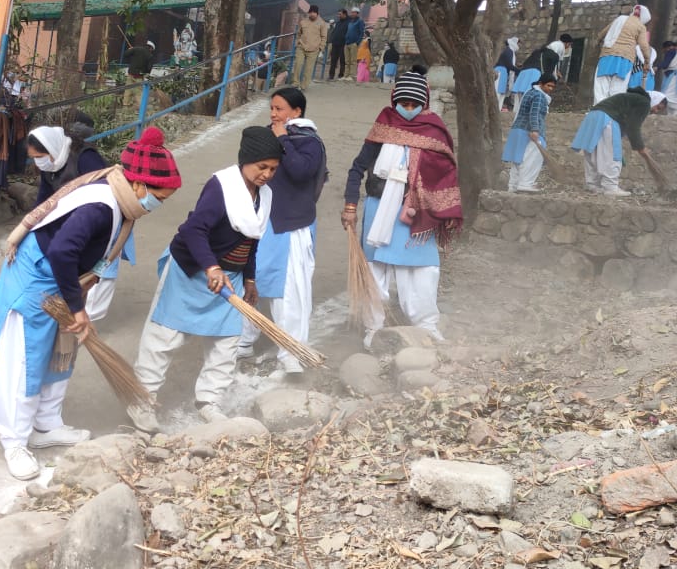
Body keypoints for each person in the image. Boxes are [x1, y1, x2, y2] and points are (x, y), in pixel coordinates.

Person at [0, 128, 182, 479]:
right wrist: (77, 308)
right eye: (159, 197)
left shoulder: (119, 196)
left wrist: (77, 298)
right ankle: (14, 441)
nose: (158, 204)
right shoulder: (100, 207)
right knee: (25, 362)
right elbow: (61, 252)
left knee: (60, 354)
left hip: (59, 280)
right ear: (139, 185)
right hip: (35, 281)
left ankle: (46, 424)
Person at [127, 127, 283, 432]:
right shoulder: (221, 186)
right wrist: (211, 267)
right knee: (163, 339)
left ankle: (209, 401)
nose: (267, 174)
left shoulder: (265, 196)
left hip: (229, 278)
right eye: (262, 167)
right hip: (192, 270)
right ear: (245, 160)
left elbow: (253, 239)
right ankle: (141, 401)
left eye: (273, 169)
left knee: (226, 343)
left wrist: (250, 279)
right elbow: (194, 230)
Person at [343, 68, 462, 347]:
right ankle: (373, 328)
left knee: (422, 269)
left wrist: (444, 209)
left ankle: (427, 326)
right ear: (394, 99)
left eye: (414, 104)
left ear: (424, 103)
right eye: (403, 103)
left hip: (416, 215)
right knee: (375, 268)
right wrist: (350, 204)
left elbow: (446, 173)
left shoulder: (434, 131)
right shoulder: (383, 126)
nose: (408, 109)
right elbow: (358, 168)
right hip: (378, 209)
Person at [234, 88, 328, 376]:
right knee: (252, 280)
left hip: (291, 226)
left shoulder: (309, 141)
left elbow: (301, 172)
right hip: (262, 221)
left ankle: (291, 349)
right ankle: (244, 341)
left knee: (289, 290)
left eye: (280, 109)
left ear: (297, 112)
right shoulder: (267, 135)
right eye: (272, 108)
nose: (274, 114)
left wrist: (284, 139)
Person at [27, 123, 132, 321]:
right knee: (70, 268)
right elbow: (44, 199)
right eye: (34, 158)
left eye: (39, 157)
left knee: (98, 273)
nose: (37, 162)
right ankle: (76, 314)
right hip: (77, 222)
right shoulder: (51, 164)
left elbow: (103, 194)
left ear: (51, 149)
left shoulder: (85, 158)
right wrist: (27, 226)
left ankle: (85, 318)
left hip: (101, 221)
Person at [571, 88, 667, 196]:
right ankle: (610, 187)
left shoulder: (632, 99)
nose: (655, 111)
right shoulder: (645, 103)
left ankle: (593, 185)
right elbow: (634, 127)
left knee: (593, 153)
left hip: (593, 116)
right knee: (612, 155)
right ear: (654, 100)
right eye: (658, 107)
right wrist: (640, 147)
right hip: (606, 118)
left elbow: (627, 124)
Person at [502, 73, 557, 193]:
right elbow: (534, 113)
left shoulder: (530, 92)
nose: (550, 89)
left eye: (553, 87)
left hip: (518, 129)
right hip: (528, 131)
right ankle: (526, 183)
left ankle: (513, 185)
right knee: (532, 158)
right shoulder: (539, 96)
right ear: (540, 83)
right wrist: (535, 130)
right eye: (548, 85)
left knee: (518, 159)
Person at [594, 5, 652, 104]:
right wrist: (647, 61)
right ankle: (613, 110)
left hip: (607, 55)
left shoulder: (619, 19)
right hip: (625, 59)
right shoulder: (641, 26)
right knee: (617, 89)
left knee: (601, 86)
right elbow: (644, 45)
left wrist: (598, 41)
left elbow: (603, 32)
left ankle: (599, 108)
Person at [293, 5, 328, 89]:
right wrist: (297, 43)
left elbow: (324, 37)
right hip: (301, 47)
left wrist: (320, 48)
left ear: (317, 13)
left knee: (308, 69)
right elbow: (298, 34)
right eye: (310, 12)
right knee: (298, 64)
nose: (312, 14)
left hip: (314, 49)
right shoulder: (303, 22)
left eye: (314, 12)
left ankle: (304, 85)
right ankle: (295, 83)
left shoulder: (322, 23)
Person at [654, 40, 677, 115]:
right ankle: (673, 115)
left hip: (676, 76)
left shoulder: (671, 51)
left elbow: (666, 64)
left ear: (666, 48)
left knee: (666, 96)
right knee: (676, 97)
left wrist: (657, 67)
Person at [511, 48, 544, 117]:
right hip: (532, 79)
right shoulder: (539, 65)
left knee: (518, 100)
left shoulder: (528, 61)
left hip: (522, 77)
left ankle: (516, 111)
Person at [123, 40, 155, 107]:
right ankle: (140, 107)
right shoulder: (150, 56)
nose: (152, 51)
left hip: (131, 74)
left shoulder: (136, 49)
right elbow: (149, 68)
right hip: (139, 76)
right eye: (152, 49)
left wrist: (130, 50)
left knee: (128, 90)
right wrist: (145, 73)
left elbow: (126, 54)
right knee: (138, 93)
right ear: (151, 48)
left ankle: (125, 104)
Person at [495, 37, 519, 111]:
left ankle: (498, 110)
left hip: (503, 73)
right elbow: (509, 65)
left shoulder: (508, 51)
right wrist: (519, 71)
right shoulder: (509, 51)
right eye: (518, 43)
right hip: (500, 72)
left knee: (501, 92)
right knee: (497, 92)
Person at [328, 9, 349, 80]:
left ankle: (341, 75)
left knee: (342, 61)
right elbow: (334, 32)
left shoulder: (348, 22)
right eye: (338, 14)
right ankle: (331, 75)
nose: (338, 15)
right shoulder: (338, 23)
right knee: (333, 60)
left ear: (344, 14)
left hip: (343, 44)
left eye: (340, 14)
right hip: (335, 44)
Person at [345, 7, 365, 78]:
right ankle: (346, 75)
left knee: (353, 61)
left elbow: (361, 33)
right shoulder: (350, 22)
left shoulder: (360, 21)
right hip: (347, 43)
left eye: (354, 12)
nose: (352, 14)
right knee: (347, 61)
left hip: (354, 43)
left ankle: (352, 75)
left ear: (357, 13)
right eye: (352, 12)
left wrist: (357, 43)